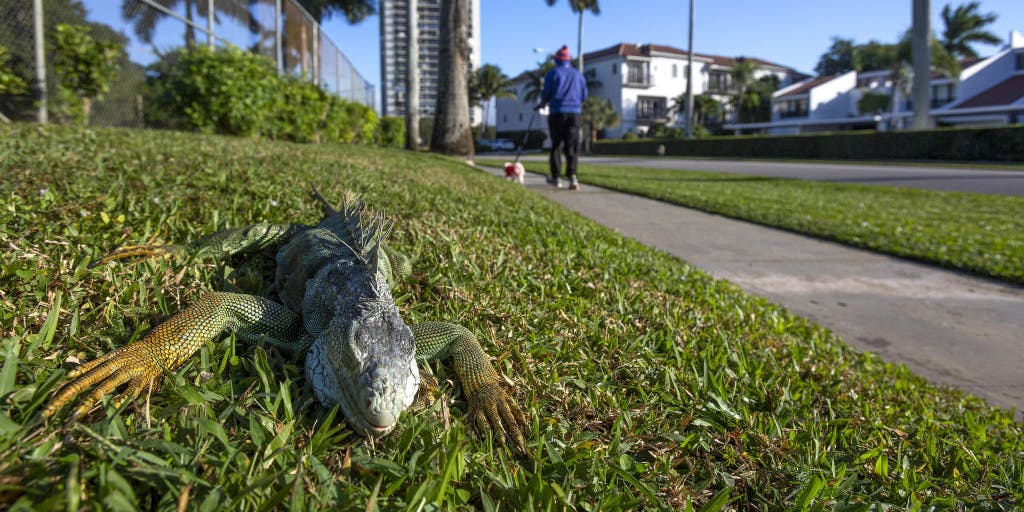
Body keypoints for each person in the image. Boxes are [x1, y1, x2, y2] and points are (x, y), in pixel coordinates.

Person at [537, 45, 588, 190]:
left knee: (556, 146)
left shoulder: (552, 74)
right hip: (574, 113)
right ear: (569, 60)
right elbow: (584, 95)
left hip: (557, 113)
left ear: (557, 60)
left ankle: (556, 177)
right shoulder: (578, 75)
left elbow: (546, 93)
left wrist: (542, 104)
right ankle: (573, 177)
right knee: (571, 146)